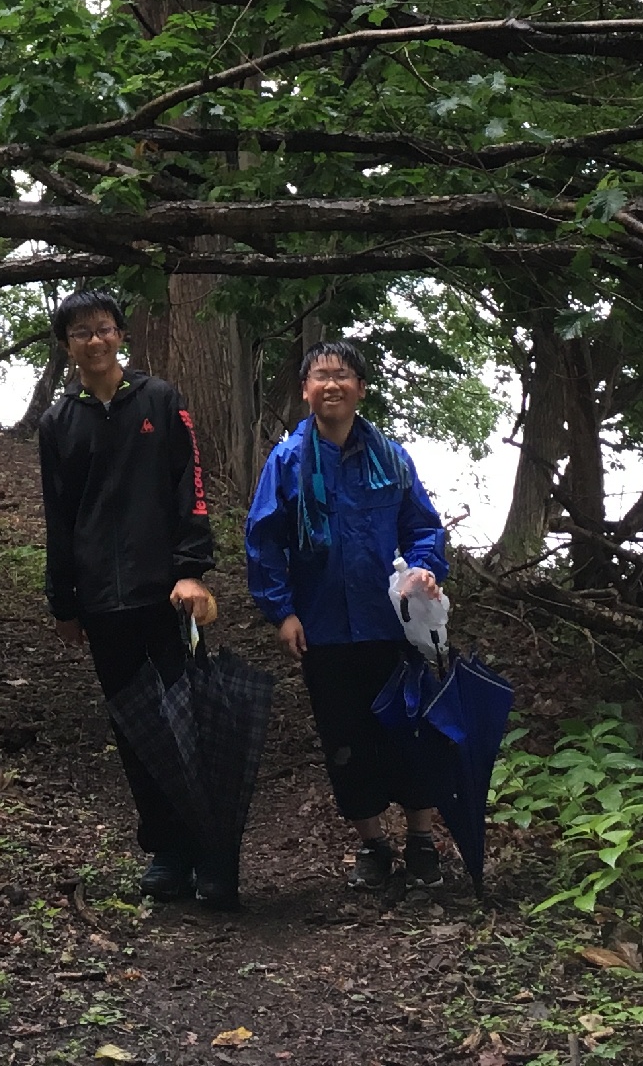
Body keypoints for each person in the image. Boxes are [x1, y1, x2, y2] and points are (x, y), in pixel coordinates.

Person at [38, 288, 225, 905]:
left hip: (167, 594)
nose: (94, 341)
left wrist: (193, 569)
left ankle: (211, 849)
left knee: (188, 721)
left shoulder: (160, 400)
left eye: (103, 328)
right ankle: (167, 851)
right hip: (101, 600)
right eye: (80, 333)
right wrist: (64, 600)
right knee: (136, 729)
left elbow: (189, 486)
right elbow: (58, 514)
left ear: (121, 334)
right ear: (67, 346)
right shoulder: (59, 421)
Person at [244, 338, 450, 892]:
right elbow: (264, 541)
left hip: (393, 624)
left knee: (409, 729)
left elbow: (423, 528)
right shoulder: (287, 462)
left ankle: (422, 840)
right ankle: (373, 845)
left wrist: (426, 569)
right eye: (319, 376)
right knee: (345, 737)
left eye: (342, 374)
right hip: (325, 628)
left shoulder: (391, 457)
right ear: (305, 390)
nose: (330, 384)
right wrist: (281, 612)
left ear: (360, 388)